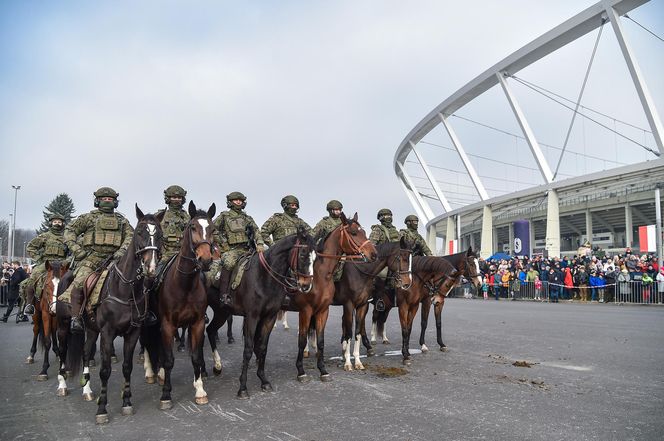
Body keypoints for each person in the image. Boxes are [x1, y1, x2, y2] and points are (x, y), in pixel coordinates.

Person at [63, 187, 134, 333]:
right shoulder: (88, 218)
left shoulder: (122, 221)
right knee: (79, 283)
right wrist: (77, 250)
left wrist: (121, 252)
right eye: (104, 199)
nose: (107, 201)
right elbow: (70, 231)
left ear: (115, 202)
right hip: (91, 258)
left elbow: (130, 237)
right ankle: (76, 318)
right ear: (97, 201)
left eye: (110, 199)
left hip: (115, 259)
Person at [212, 191, 264, 306]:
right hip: (231, 250)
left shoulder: (247, 218)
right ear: (230, 202)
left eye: (240, 200)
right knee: (229, 263)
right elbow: (213, 229)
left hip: (248, 249)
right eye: (236, 200)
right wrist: (224, 245)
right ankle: (224, 295)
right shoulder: (224, 216)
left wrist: (260, 244)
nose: (238, 202)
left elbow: (256, 231)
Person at [22, 213, 69, 315]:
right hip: (46, 263)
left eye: (59, 222)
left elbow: (73, 250)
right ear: (51, 223)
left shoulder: (67, 237)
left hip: (62, 263)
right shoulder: (45, 236)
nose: (57, 224)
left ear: (63, 224)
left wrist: (67, 261)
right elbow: (30, 247)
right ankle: (29, 305)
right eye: (55, 222)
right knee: (32, 278)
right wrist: (39, 259)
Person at [370, 209, 401, 311]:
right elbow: (372, 245)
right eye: (386, 216)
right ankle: (379, 299)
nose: (389, 218)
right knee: (382, 276)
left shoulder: (396, 231)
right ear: (381, 218)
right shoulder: (377, 230)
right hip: (382, 260)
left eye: (390, 215)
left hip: (395, 259)